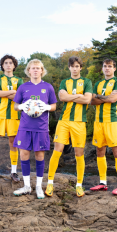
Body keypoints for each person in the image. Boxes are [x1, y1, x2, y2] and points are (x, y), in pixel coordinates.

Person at [45, 56, 92, 198]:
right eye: (73, 66)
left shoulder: (87, 82)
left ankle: (79, 185)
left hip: (79, 122)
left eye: (77, 66)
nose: (75, 68)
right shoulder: (65, 82)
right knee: (57, 151)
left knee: (79, 154)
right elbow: (62, 98)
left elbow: (88, 99)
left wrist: (71, 95)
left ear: (81, 67)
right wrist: (78, 95)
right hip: (64, 121)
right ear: (69, 68)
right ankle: (50, 182)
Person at [12, 59, 57, 199]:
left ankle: (38, 186)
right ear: (29, 71)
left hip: (41, 128)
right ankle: (26, 186)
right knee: (24, 155)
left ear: (42, 70)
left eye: (38, 68)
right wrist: (21, 107)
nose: (36, 70)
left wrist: (47, 107)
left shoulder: (48, 87)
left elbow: (54, 106)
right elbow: (15, 105)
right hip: (25, 127)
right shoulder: (23, 87)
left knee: (39, 156)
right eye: (33, 68)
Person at [90, 58, 117, 195]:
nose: (107, 68)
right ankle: (102, 183)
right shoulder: (98, 83)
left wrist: (100, 97)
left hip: (112, 121)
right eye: (105, 66)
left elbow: (113, 99)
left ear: (114, 68)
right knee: (100, 151)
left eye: (110, 66)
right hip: (98, 122)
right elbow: (92, 101)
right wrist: (104, 97)